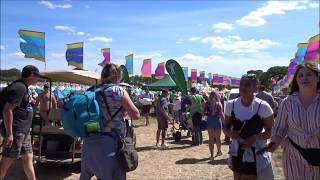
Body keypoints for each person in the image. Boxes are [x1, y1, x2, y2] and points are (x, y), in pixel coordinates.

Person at [80, 63, 140, 180]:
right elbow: (136, 115)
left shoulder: (92, 90)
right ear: (117, 76)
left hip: (90, 141)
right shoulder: (118, 91)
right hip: (112, 143)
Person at [264, 63, 320, 179]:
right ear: (296, 80)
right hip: (294, 155)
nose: (304, 78)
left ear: (317, 77)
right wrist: (274, 141)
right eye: (301, 75)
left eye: (309, 75)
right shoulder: (287, 102)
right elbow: (279, 127)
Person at [223, 74, 274, 180]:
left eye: (247, 85)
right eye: (241, 84)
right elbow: (226, 126)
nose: (243, 87)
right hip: (236, 152)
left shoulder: (263, 107)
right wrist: (231, 133)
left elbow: (271, 131)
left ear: (256, 88)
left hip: (255, 153)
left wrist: (255, 137)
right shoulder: (230, 105)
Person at [0, 65, 42, 180]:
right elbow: (7, 109)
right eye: (37, 76)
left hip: (24, 131)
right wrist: (9, 134)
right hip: (16, 131)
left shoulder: (23, 87)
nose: (38, 79)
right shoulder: (20, 87)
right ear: (32, 75)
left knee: (28, 158)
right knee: (6, 162)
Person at [204, 91, 225, 160]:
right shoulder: (218, 104)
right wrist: (225, 122)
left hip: (210, 121)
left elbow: (204, 113)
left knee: (211, 139)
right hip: (217, 121)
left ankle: (212, 155)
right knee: (218, 139)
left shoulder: (207, 104)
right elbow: (221, 114)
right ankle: (219, 151)